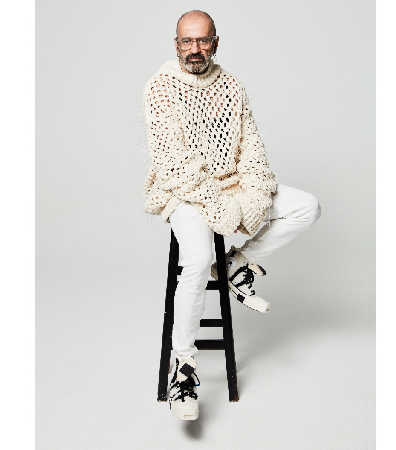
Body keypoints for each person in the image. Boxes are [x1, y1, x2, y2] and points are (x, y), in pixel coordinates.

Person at [143, 10, 321, 421]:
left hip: (233, 187)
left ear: (216, 43)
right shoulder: (161, 87)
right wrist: (219, 205)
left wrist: (253, 194)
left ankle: (236, 262)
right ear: (176, 44)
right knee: (196, 260)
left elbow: (252, 151)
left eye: (203, 40)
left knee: (307, 206)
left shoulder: (232, 86)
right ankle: (182, 370)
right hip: (184, 194)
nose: (195, 49)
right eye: (187, 41)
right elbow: (173, 163)